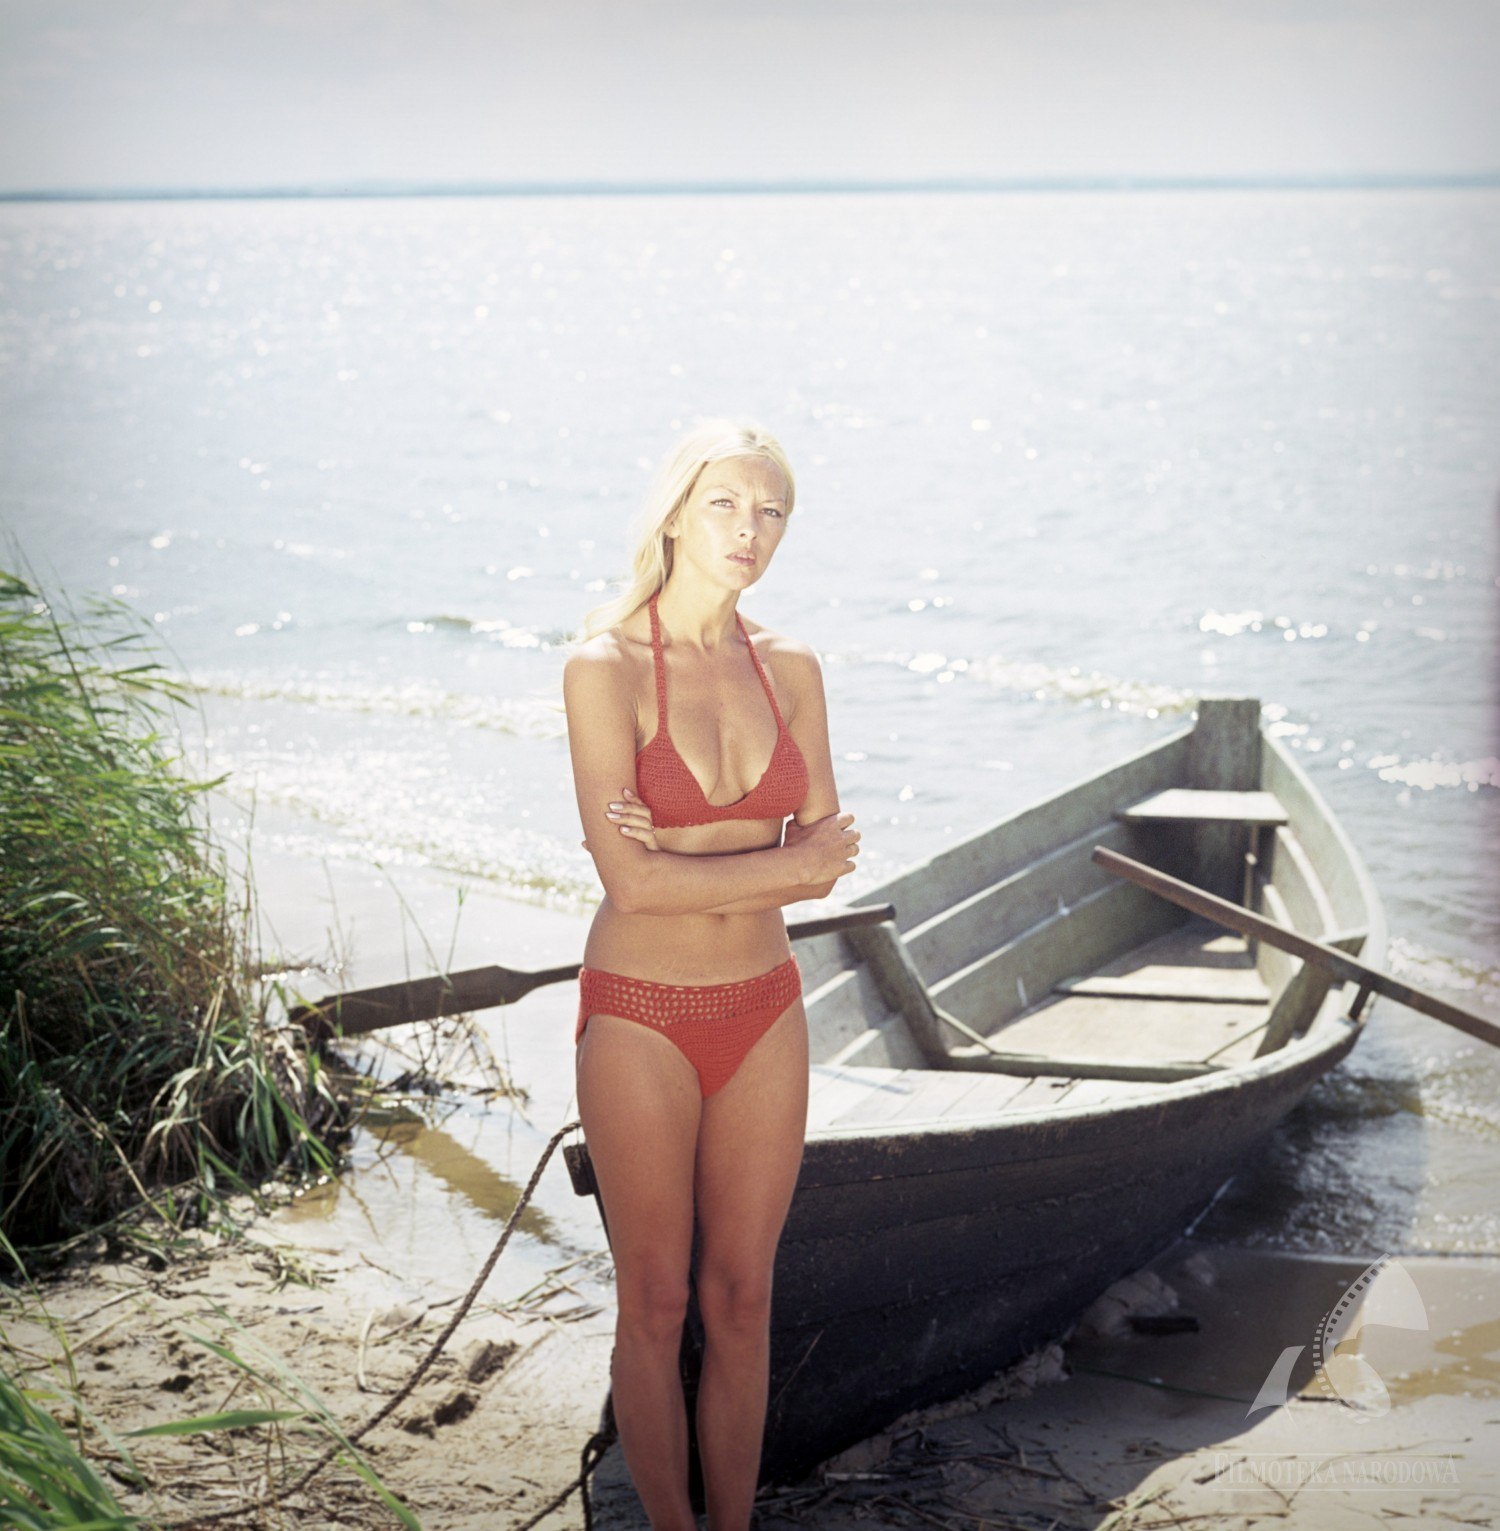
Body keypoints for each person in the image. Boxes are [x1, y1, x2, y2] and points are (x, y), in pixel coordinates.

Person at [563, 418, 860, 1529]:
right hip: (639, 1015)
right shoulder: (603, 668)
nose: (751, 530)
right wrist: (779, 864)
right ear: (677, 513)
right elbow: (632, 886)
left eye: (772, 511)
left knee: (742, 1300)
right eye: (726, 504)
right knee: (655, 1300)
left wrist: (691, 858)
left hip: (765, 1010)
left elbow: (831, 860)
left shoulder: (792, 667)